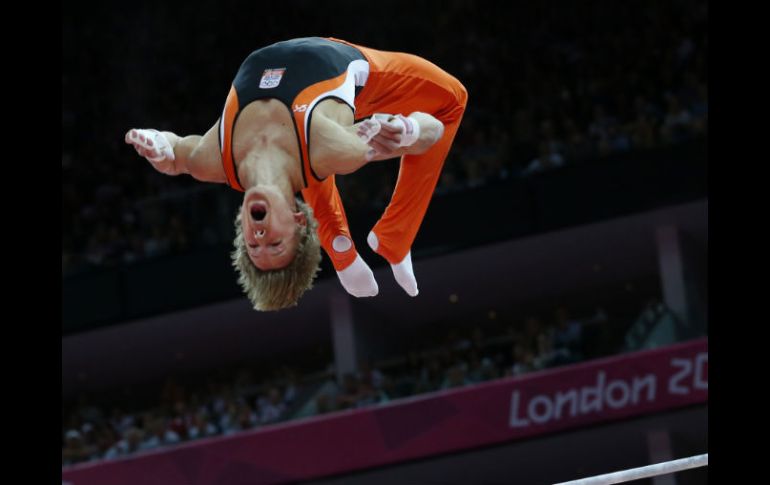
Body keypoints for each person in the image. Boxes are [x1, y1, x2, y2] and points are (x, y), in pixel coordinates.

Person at [125, 37, 467, 310]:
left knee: (302, 167)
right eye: (274, 243)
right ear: (299, 222)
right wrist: (407, 129)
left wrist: (161, 147)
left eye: (253, 245)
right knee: (453, 100)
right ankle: (389, 237)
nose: (260, 236)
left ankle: (351, 246)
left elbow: (178, 152)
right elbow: (432, 132)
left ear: (241, 228)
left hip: (277, 75)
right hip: (342, 66)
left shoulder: (212, 162)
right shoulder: (336, 149)